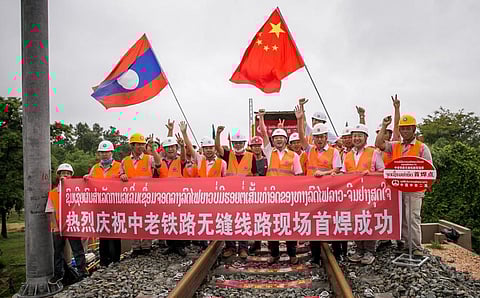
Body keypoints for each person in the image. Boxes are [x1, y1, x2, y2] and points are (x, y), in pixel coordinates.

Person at [376, 111, 433, 256]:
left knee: (412, 217)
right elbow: (379, 144)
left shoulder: (421, 147)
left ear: (414, 129)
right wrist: (384, 126)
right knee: (401, 216)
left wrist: (423, 187)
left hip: (414, 189)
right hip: (398, 188)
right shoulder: (395, 146)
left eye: (408, 128)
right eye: (403, 128)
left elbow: (429, 170)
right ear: (400, 130)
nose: (405, 131)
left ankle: (415, 247)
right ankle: (404, 243)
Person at [296, 105, 343, 263]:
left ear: (326, 137)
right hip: (313, 194)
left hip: (329, 193)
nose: (319, 139)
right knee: (314, 224)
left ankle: (337, 253)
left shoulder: (334, 152)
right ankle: (315, 256)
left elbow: (337, 169)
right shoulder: (310, 150)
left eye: (322, 137)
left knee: (331, 222)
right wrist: (300, 119)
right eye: (316, 137)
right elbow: (302, 138)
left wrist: (323, 174)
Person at [258, 110, 303, 264]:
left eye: (281, 138)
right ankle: (274, 253)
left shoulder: (294, 156)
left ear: (286, 140)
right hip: (272, 196)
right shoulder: (270, 153)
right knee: (272, 225)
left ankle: (292, 254)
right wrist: (261, 117)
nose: (278, 140)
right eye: (276, 138)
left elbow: (298, 176)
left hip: (288, 197)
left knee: (289, 224)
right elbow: (263, 134)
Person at [338, 124, 384, 265]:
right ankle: (359, 249)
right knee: (356, 221)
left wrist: (371, 174)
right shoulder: (348, 155)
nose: (357, 138)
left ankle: (369, 251)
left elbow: (383, 171)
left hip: (369, 195)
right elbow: (344, 173)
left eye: (360, 136)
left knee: (369, 221)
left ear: (365, 138)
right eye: (355, 136)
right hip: (353, 196)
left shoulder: (373, 153)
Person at [215, 126, 257, 259]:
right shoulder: (228, 155)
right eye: (235, 143)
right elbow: (217, 148)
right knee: (229, 220)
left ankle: (243, 248)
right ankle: (231, 247)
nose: (238, 145)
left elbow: (255, 175)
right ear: (232, 144)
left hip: (245, 195)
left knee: (243, 220)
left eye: (240, 143)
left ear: (244, 143)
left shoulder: (251, 156)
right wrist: (218, 134)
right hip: (230, 195)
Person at [120, 132, 161, 257]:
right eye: (138, 144)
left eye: (142, 145)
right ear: (132, 145)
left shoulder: (149, 159)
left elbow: (159, 164)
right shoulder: (125, 161)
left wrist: (153, 149)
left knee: (146, 219)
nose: (140, 147)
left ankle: (147, 246)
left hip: (146, 195)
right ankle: (136, 247)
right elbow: (120, 174)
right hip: (131, 196)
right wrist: (122, 175)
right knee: (134, 221)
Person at [47, 163, 88, 285]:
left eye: (68, 173)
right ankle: (58, 274)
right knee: (58, 252)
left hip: (72, 224)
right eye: (63, 173)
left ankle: (82, 272)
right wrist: (55, 226)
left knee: (77, 249)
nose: (66, 175)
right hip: (58, 227)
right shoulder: (53, 193)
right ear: (58, 175)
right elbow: (51, 210)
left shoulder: (77, 191)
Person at [84, 140, 122, 267]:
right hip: (100, 206)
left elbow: (125, 179)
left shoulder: (119, 166)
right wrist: (86, 178)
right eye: (102, 152)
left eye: (107, 152)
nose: (105, 155)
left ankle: (116, 259)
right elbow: (90, 180)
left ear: (112, 152)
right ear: (98, 154)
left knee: (115, 232)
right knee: (103, 233)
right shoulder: (95, 168)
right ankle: (104, 261)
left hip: (115, 204)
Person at [160, 122, 188, 256]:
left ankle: (180, 245)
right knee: (168, 220)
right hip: (165, 196)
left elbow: (183, 157)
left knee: (179, 220)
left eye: (172, 147)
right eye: (167, 147)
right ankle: (170, 245)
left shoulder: (180, 159)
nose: (170, 149)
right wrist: (170, 131)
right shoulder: (161, 161)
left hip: (179, 196)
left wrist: (182, 146)